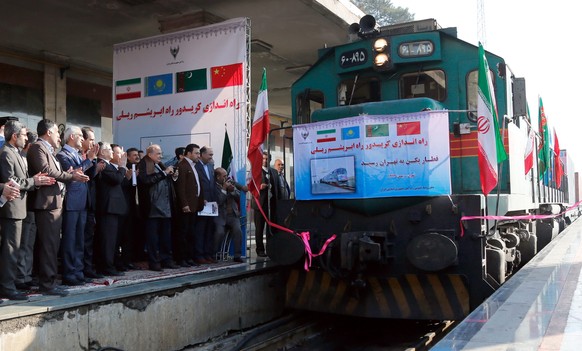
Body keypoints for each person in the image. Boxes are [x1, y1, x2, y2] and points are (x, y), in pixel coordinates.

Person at [27, 119, 89, 296]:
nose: (59, 137)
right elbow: (47, 170)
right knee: (49, 245)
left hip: (54, 203)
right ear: (48, 132)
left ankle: (51, 281)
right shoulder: (38, 147)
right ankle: (47, 284)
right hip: (46, 204)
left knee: (53, 245)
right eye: (56, 132)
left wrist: (68, 175)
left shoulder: (48, 149)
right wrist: (71, 177)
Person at [0, 121, 55, 300]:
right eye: (23, 135)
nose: (26, 138)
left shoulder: (15, 152)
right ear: (14, 136)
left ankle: (11, 283)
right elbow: (12, 182)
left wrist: (32, 179)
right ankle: (7, 287)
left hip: (19, 209)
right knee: (10, 249)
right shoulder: (6, 153)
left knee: (16, 249)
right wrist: (34, 182)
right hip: (11, 209)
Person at [56, 126, 95, 286]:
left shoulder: (78, 155)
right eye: (80, 136)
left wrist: (89, 161)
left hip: (82, 202)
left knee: (80, 239)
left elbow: (84, 174)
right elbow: (72, 175)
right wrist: (89, 160)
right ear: (72, 136)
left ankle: (78, 271)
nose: (82, 139)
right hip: (71, 202)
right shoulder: (62, 155)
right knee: (70, 239)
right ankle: (69, 272)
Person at [137, 144, 178, 271]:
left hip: (165, 207)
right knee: (153, 239)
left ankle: (166, 260)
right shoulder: (145, 164)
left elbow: (165, 181)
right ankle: (154, 262)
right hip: (152, 208)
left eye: (161, 153)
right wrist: (164, 174)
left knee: (166, 237)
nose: (161, 156)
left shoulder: (159, 165)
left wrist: (172, 176)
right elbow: (146, 181)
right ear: (150, 154)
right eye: (158, 153)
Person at [94, 143, 128, 276]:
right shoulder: (103, 164)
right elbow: (117, 179)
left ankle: (111, 264)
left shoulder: (108, 165)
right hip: (107, 208)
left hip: (114, 208)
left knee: (113, 239)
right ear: (102, 152)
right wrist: (123, 166)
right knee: (108, 240)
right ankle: (106, 266)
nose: (112, 153)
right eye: (109, 150)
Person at [15, 131, 38, 290]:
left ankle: (27, 275)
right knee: (22, 244)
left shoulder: (27, 159)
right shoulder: (21, 158)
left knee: (29, 244)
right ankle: (20, 277)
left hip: (32, 207)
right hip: (23, 207)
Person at [174, 143, 204, 266]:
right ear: (189, 153)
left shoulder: (193, 166)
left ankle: (189, 257)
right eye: (196, 153)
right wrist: (184, 204)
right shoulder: (182, 166)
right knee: (183, 233)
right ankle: (181, 258)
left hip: (194, 206)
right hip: (186, 207)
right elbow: (180, 188)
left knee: (191, 233)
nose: (198, 156)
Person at [80, 126, 103, 278]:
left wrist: (94, 163)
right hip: (78, 203)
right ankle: (78, 269)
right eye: (91, 140)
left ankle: (88, 268)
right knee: (78, 239)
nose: (94, 143)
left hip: (90, 203)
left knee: (88, 238)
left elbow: (93, 178)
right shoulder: (77, 156)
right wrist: (90, 160)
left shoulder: (91, 157)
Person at [214, 167, 245, 263]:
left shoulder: (230, 183)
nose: (226, 177)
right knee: (219, 233)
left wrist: (231, 190)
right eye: (224, 176)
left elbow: (238, 195)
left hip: (232, 215)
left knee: (238, 231)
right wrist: (224, 189)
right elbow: (219, 201)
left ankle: (237, 255)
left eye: (226, 175)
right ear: (218, 177)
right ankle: (213, 254)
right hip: (220, 216)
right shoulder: (214, 186)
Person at [251, 152, 279, 257]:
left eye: (267, 159)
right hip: (260, 205)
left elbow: (278, 188)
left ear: (270, 160)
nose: (265, 161)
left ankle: (271, 248)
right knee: (259, 228)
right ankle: (260, 249)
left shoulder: (274, 172)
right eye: (263, 159)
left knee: (271, 228)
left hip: (272, 204)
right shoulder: (256, 172)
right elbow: (250, 186)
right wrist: (259, 187)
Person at [117, 146, 141, 269]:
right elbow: (121, 186)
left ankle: (130, 260)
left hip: (134, 208)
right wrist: (129, 177)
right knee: (123, 236)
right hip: (124, 208)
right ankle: (121, 262)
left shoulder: (139, 168)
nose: (137, 157)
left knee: (132, 235)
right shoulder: (123, 169)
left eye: (138, 154)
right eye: (134, 155)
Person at [194, 146, 218, 264]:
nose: (211, 157)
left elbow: (211, 183)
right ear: (202, 154)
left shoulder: (210, 166)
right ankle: (199, 254)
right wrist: (200, 198)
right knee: (200, 230)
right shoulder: (196, 166)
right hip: (202, 203)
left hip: (212, 203)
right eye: (210, 155)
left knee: (210, 229)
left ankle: (208, 253)